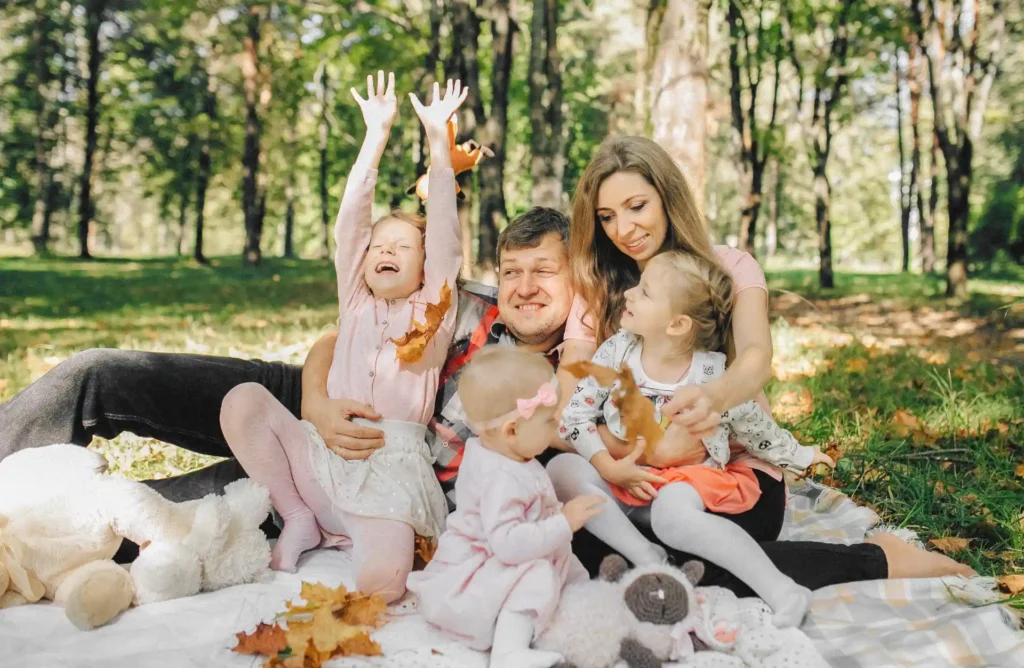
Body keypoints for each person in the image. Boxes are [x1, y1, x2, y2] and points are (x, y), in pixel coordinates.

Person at [0, 198, 969, 591]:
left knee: (172, 516)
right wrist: (316, 373)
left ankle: (29, 538)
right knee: (97, 375)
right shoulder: (463, 303)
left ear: (584, 287)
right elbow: (351, 304)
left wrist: (871, 557)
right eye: (513, 272)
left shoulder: (586, 372)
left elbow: (659, 509)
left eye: (546, 273)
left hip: (361, 483)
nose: (524, 289)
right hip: (318, 403)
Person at [552, 134, 975, 586]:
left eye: (637, 206)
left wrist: (709, 401)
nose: (623, 229)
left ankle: (877, 559)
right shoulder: (597, 290)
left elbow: (756, 359)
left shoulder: (729, 267)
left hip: (727, 477)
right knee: (581, 542)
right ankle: (678, 562)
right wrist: (649, 450)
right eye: (607, 217)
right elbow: (564, 414)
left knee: (681, 554)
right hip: (627, 479)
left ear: (667, 198)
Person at [217, 73, 465, 602]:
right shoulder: (354, 303)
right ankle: (299, 517)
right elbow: (350, 223)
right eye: (378, 245)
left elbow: (445, 231)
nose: (384, 251)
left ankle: (352, 538)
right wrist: (375, 136)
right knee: (243, 401)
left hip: (388, 478)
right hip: (321, 463)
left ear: (426, 267)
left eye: (402, 245)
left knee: (382, 586)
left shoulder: (435, 308)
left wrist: (439, 143)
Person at [551, 251, 835, 627]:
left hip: (688, 482)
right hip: (627, 475)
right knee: (561, 470)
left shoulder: (708, 372)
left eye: (645, 292)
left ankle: (783, 590)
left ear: (677, 324)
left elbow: (754, 425)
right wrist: (608, 466)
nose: (629, 294)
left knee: (671, 511)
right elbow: (574, 417)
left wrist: (800, 455)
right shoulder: (615, 353)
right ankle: (649, 558)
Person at [407, 347, 600, 668]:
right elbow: (509, 546)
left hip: (512, 556)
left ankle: (584, 604)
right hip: (482, 574)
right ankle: (509, 651)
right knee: (538, 572)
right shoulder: (500, 478)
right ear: (512, 431)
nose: (557, 426)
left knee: (561, 559)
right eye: (549, 421)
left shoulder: (505, 454)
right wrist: (563, 522)